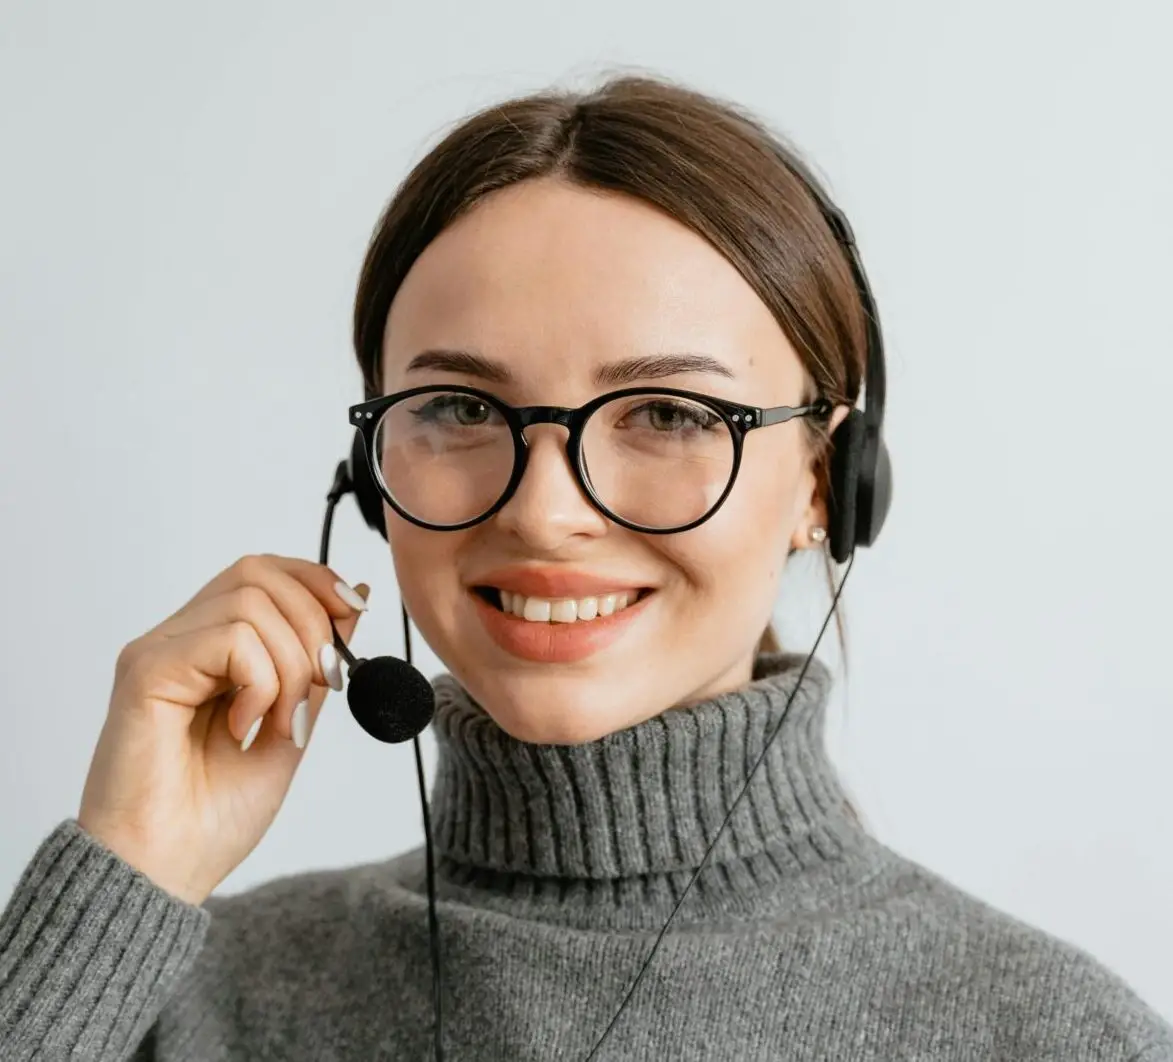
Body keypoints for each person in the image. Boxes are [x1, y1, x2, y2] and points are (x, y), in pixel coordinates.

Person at [1, 73, 1169, 1062]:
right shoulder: (176, 998)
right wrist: (124, 874)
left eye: (665, 412)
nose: (548, 515)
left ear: (827, 482)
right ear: (365, 473)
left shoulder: (1047, 1034)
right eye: (459, 404)